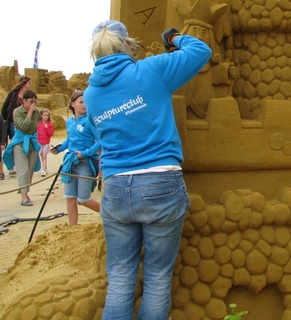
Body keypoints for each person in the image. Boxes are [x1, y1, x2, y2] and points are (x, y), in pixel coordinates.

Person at [84, 20, 211, 320]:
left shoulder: (90, 94)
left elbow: (97, 132)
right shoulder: (150, 71)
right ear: (127, 43)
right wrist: (175, 38)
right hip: (159, 182)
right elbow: (201, 50)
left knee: (120, 279)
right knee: (156, 277)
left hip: (115, 187)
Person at [51, 90, 101, 225]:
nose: (84, 105)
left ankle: (110, 214)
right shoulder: (69, 122)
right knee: (70, 197)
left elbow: (101, 141)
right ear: (73, 104)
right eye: (81, 102)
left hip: (85, 163)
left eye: (85, 101)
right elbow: (70, 139)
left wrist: (85, 154)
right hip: (70, 162)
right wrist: (59, 148)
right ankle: (73, 227)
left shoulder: (91, 121)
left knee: (84, 199)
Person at [3, 90, 40, 206]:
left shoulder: (37, 112)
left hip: (31, 142)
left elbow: (34, 127)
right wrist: (29, 113)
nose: (33, 104)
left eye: (35, 101)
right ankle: (24, 197)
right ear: (24, 101)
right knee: (23, 170)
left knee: (30, 170)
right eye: (31, 101)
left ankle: (25, 190)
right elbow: (23, 126)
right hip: (19, 143)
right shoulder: (17, 112)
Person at [1, 76, 33, 176]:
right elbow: (5, 105)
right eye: (29, 82)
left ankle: (21, 164)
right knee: (15, 143)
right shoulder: (13, 93)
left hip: (24, 123)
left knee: (24, 142)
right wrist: (3, 118)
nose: (31, 84)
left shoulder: (27, 95)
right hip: (12, 121)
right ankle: (11, 167)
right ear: (24, 83)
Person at [38, 108, 54, 176]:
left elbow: (50, 134)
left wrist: (47, 128)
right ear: (41, 115)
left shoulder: (49, 124)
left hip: (46, 142)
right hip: (39, 142)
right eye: (44, 115)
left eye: (47, 115)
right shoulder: (39, 123)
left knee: (44, 155)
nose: (46, 117)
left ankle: (43, 170)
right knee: (42, 155)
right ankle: (45, 168)